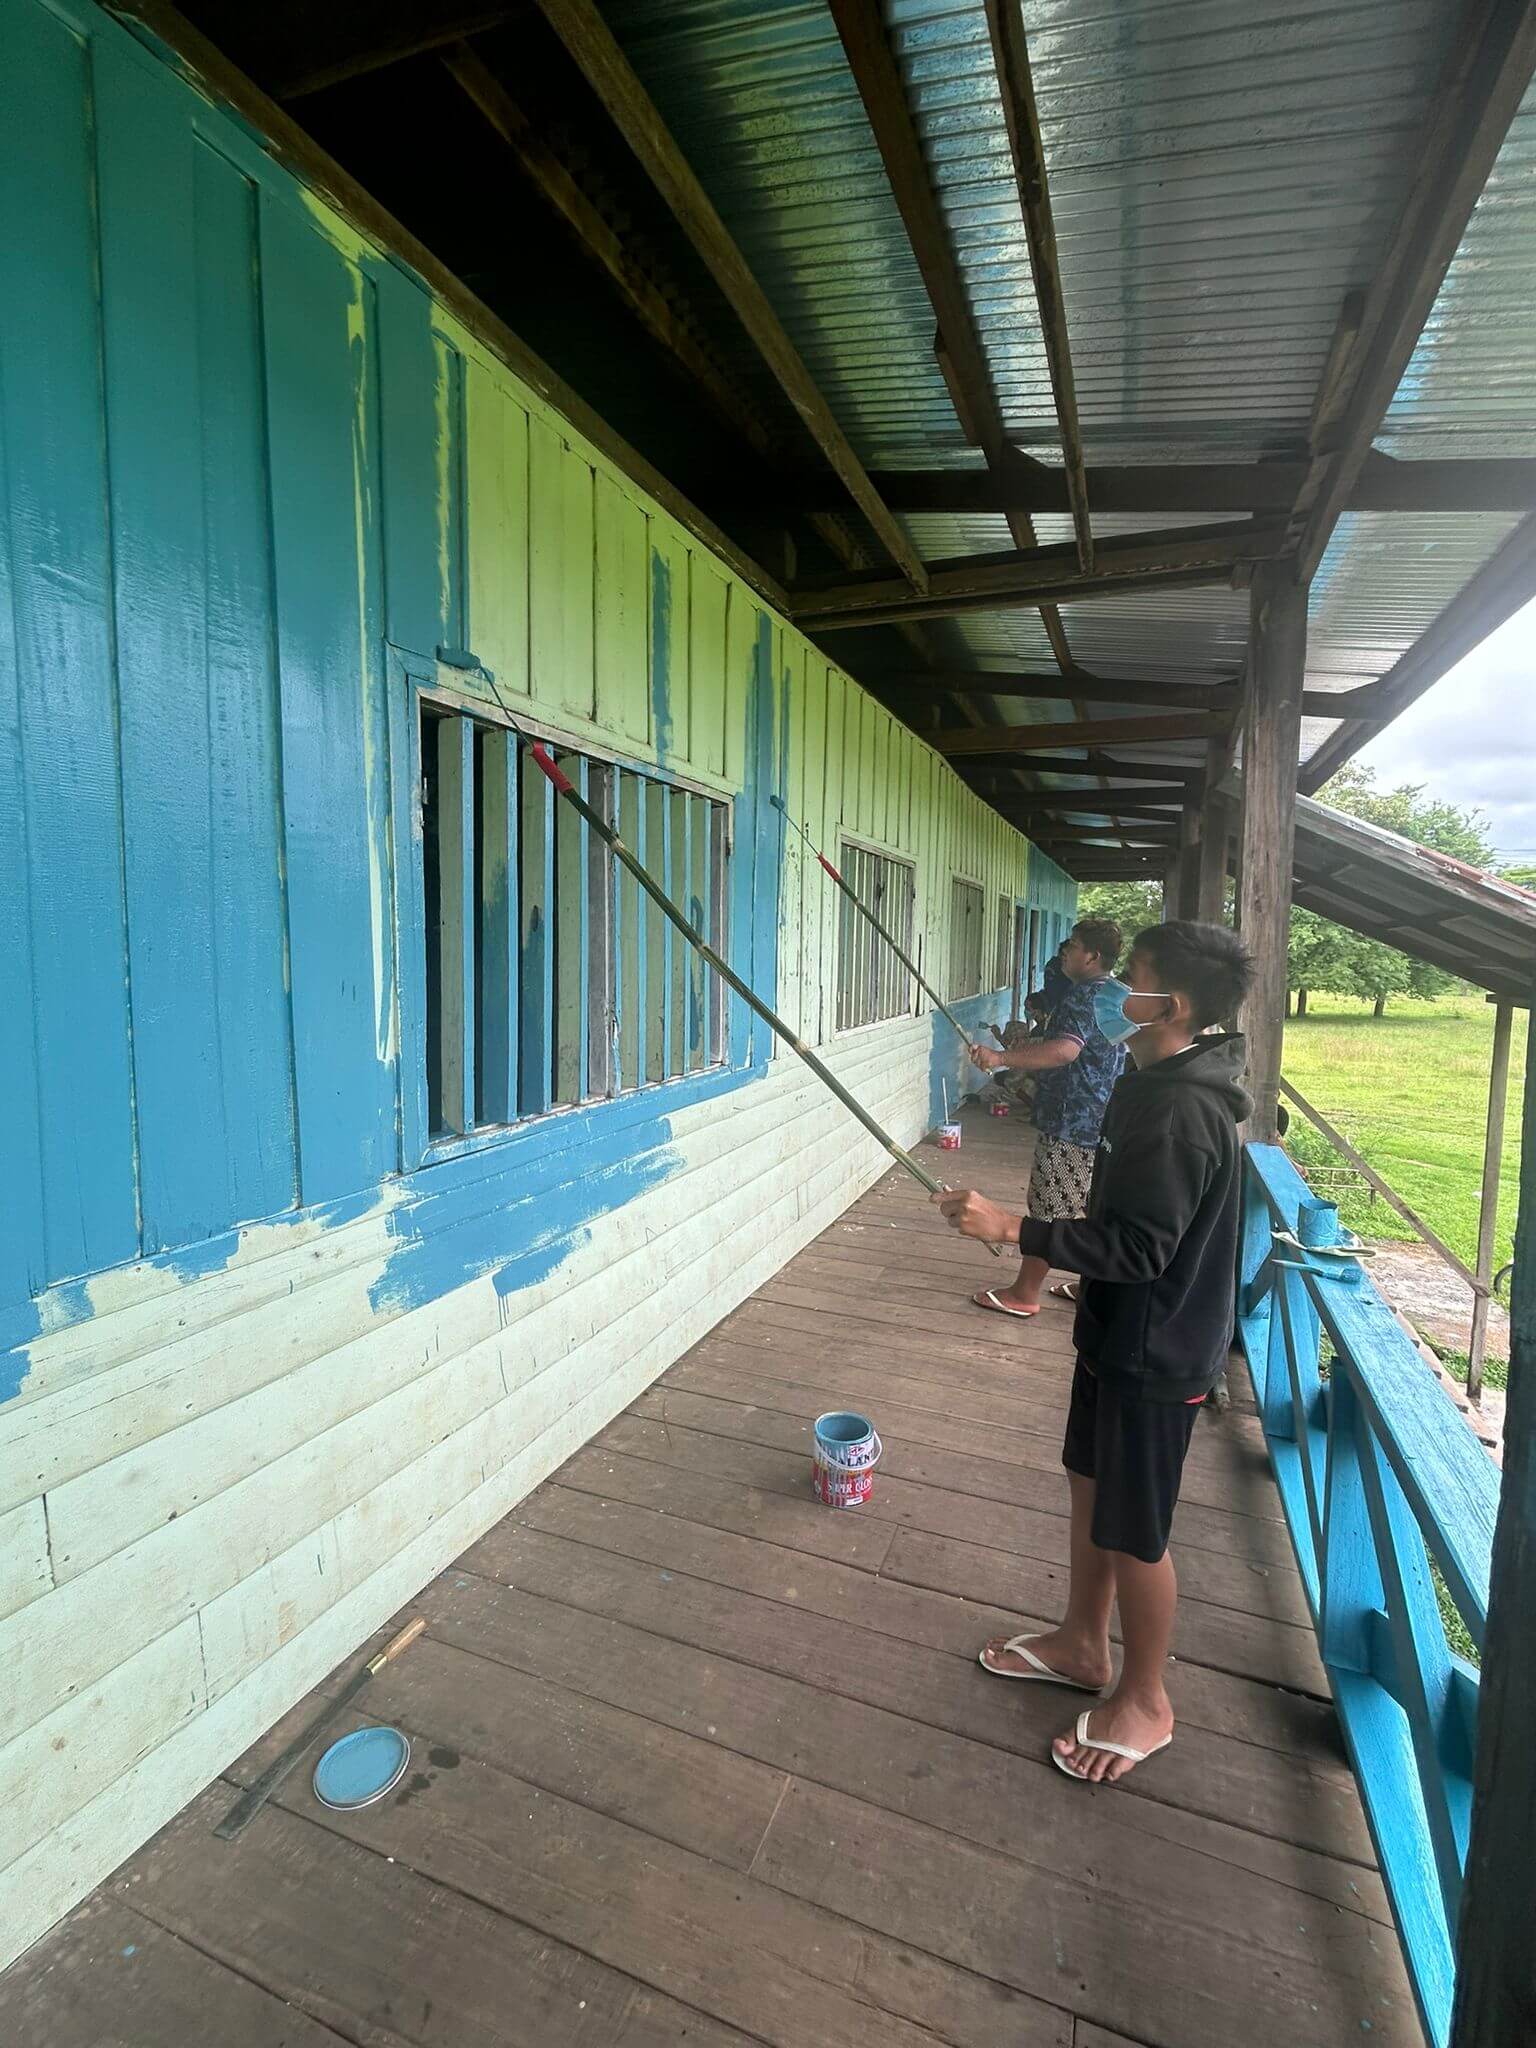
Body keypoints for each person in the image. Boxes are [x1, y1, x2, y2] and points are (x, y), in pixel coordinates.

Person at [931, 920, 1255, 1786]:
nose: (1117, 991)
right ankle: (1082, 1643)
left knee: (1136, 1530)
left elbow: (1144, 1249)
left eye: (1134, 979)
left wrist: (1012, 1227)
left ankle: (1146, 1701)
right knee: (1090, 1484)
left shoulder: (1186, 1110)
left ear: (1171, 1005)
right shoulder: (1152, 1081)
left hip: (1162, 1352)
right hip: (1117, 1333)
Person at [966, 918, 1125, 1321]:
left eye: (1071, 945)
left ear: (1091, 956)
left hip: (1072, 1119)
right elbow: (1081, 1046)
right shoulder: (1115, 994)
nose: (1065, 952)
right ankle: (1095, 1284)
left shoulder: (1081, 996)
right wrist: (1027, 1044)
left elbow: (1066, 1052)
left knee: (1049, 1204)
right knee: (1090, 1204)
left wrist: (1000, 1058)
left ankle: (1025, 1293)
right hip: (1105, 1117)